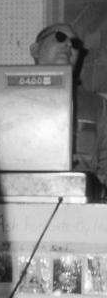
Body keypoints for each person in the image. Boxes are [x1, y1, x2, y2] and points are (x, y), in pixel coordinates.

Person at [29, 22, 107, 188]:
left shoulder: (98, 106)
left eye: (76, 44)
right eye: (60, 37)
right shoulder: (4, 98)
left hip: (80, 205)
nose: (69, 44)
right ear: (35, 50)